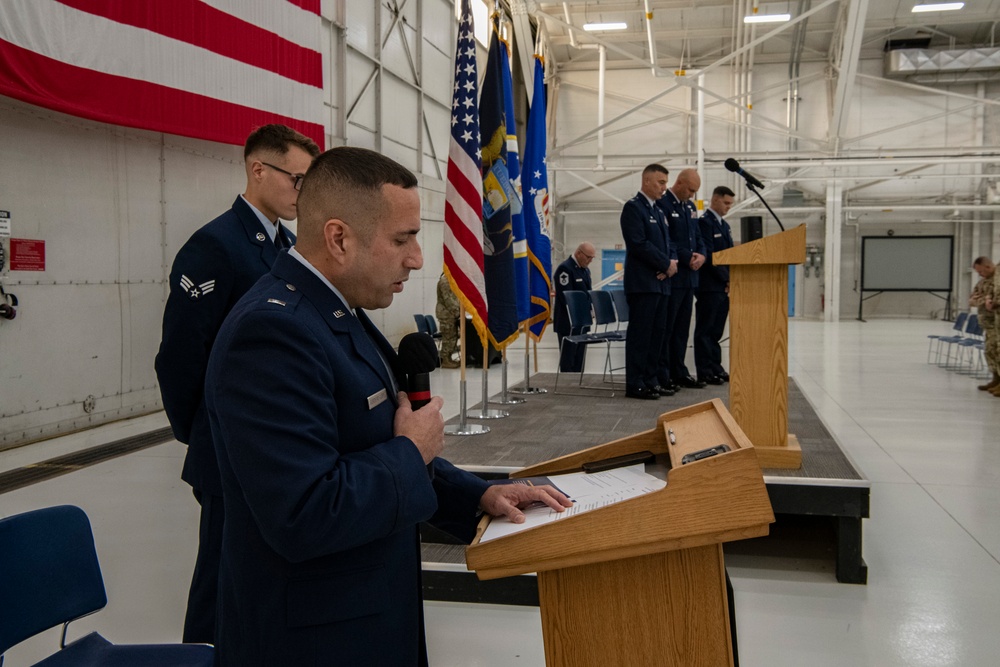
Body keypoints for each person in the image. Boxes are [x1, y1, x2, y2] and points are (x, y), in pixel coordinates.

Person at [204, 146, 571, 666]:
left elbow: (378, 446)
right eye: (403, 239)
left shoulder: (335, 312)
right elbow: (304, 513)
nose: (418, 258)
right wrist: (409, 448)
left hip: (362, 614)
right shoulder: (272, 333)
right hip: (311, 640)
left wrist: (478, 496)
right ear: (339, 238)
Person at [154, 124, 319, 644]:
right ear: (258, 170)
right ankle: (200, 656)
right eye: (297, 179)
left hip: (268, 443)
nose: (303, 192)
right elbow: (180, 357)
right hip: (225, 444)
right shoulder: (215, 246)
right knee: (219, 574)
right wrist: (201, 431)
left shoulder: (289, 246)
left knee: (256, 571)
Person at [620, 164, 677, 399]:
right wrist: (665, 264)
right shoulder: (634, 208)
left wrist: (670, 264)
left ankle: (651, 379)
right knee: (641, 336)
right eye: (661, 182)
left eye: (665, 182)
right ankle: (636, 383)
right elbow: (638, 243)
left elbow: (668, 243)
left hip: (661, 283)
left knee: (658, 335)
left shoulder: (658, 211)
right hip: (643, 284)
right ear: (646, 181)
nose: (665, 187)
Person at [656, 168, 706, 391]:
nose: (693, 195)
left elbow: (697, 236)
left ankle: (679, 371)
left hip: (689, 279)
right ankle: (664, 373)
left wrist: (702, 255)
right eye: (691, 190)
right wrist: (687, 257)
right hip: (674, 277)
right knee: (668, 329)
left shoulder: (690, 207)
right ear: (680, 183)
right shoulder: (664, 204)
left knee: (682, 330)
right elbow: (667, 241)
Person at [694, 186, 736, 385]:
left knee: (716, 331)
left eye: (730, 204)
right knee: (705, 330)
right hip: (709, 285)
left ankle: (715, 366)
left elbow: (729, 255)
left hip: (723, 286)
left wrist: (731, 279)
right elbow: (710, 256)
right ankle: (705, 370)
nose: (728, 207)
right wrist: (726, 278)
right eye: (726, 203)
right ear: (715, 199)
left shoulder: (724, 226)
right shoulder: (705, 223)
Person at [553, 242, 596, 372]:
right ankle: (566, 386)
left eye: (592, 258)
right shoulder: (565, 269)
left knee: (579, 359)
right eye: (588, 257)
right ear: (578, 253)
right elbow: (566, 298)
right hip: (568, 322)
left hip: (582, 321)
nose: (590, 261)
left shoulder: (585, 270)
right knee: (568, 358)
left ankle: (578, 384)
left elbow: (588, 293)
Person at [971, 256, 999, 394]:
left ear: (988, 267)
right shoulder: (983, 282)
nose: (980, 275)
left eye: (981, 271)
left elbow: (993, 301)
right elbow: (972, 299)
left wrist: (983, 300)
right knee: (989, 352)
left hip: (996, 322)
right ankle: (995, 378)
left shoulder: (996, 281)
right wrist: (982, 300)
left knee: (996, 351)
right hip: (987, 323)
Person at [436, 272, 461, 368]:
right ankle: (446, 360)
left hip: (450, 313)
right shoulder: (445, 281)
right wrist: (458, 312)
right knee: (449, 337)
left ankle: (448, 358)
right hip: (446, 314)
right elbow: (449, 300)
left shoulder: (449, 280)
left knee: (452, 336)